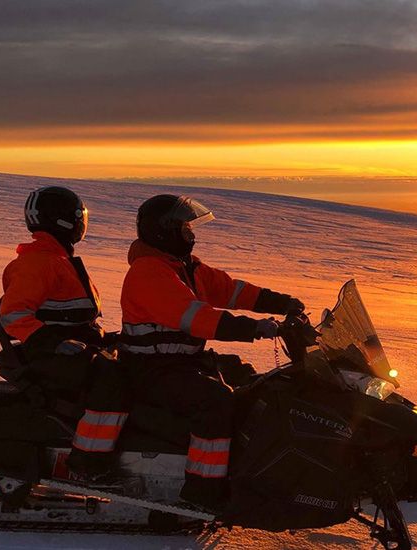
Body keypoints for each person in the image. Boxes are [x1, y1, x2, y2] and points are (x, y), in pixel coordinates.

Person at [119, 194, 304, 511]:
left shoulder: (183, 267)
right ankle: (203, 492)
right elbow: (196, 318)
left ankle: (246, 468)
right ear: (165, 231)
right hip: (149, 371)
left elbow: (229, 289)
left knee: (250, 380)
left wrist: (281, 302)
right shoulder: (149, 273)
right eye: (185, 228)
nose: (191, 235)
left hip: (179, 364)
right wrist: (255, 328)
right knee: (216, 401)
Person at [0, 186, 128, 474]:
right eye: (79, 216)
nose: (83, 222)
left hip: (70, 349)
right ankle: (89, 460)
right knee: (112, 380)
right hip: (48, 355)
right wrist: (55, 343)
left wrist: (111, 337)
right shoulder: (38, 263)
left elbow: (73, 317)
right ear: (62, 221)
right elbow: (13, 315)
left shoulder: (59, 260)